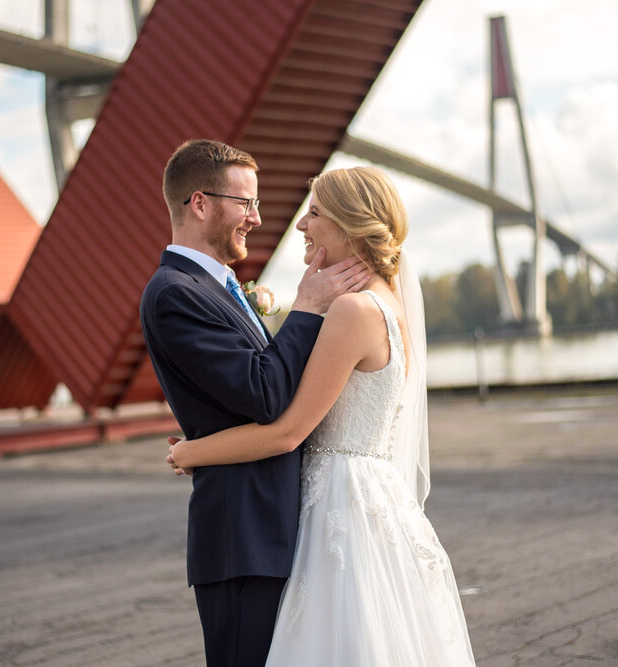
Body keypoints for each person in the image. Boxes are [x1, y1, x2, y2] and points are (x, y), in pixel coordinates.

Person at [167, 166, 477, 666]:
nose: (300, 226)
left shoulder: (353, 312)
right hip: (371, 499)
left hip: (340, 505)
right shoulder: (387, 303)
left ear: (351, 225)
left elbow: (288, 431)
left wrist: (190, 451)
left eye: (314, 214)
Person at [139, 139, 370, 667]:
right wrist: (307, 309)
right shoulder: (175, 292)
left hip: (271, 530)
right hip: (242, 539)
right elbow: (264, 394)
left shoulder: (217, 287)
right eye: (247, 204)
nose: (257, 218)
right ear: (200, 204)